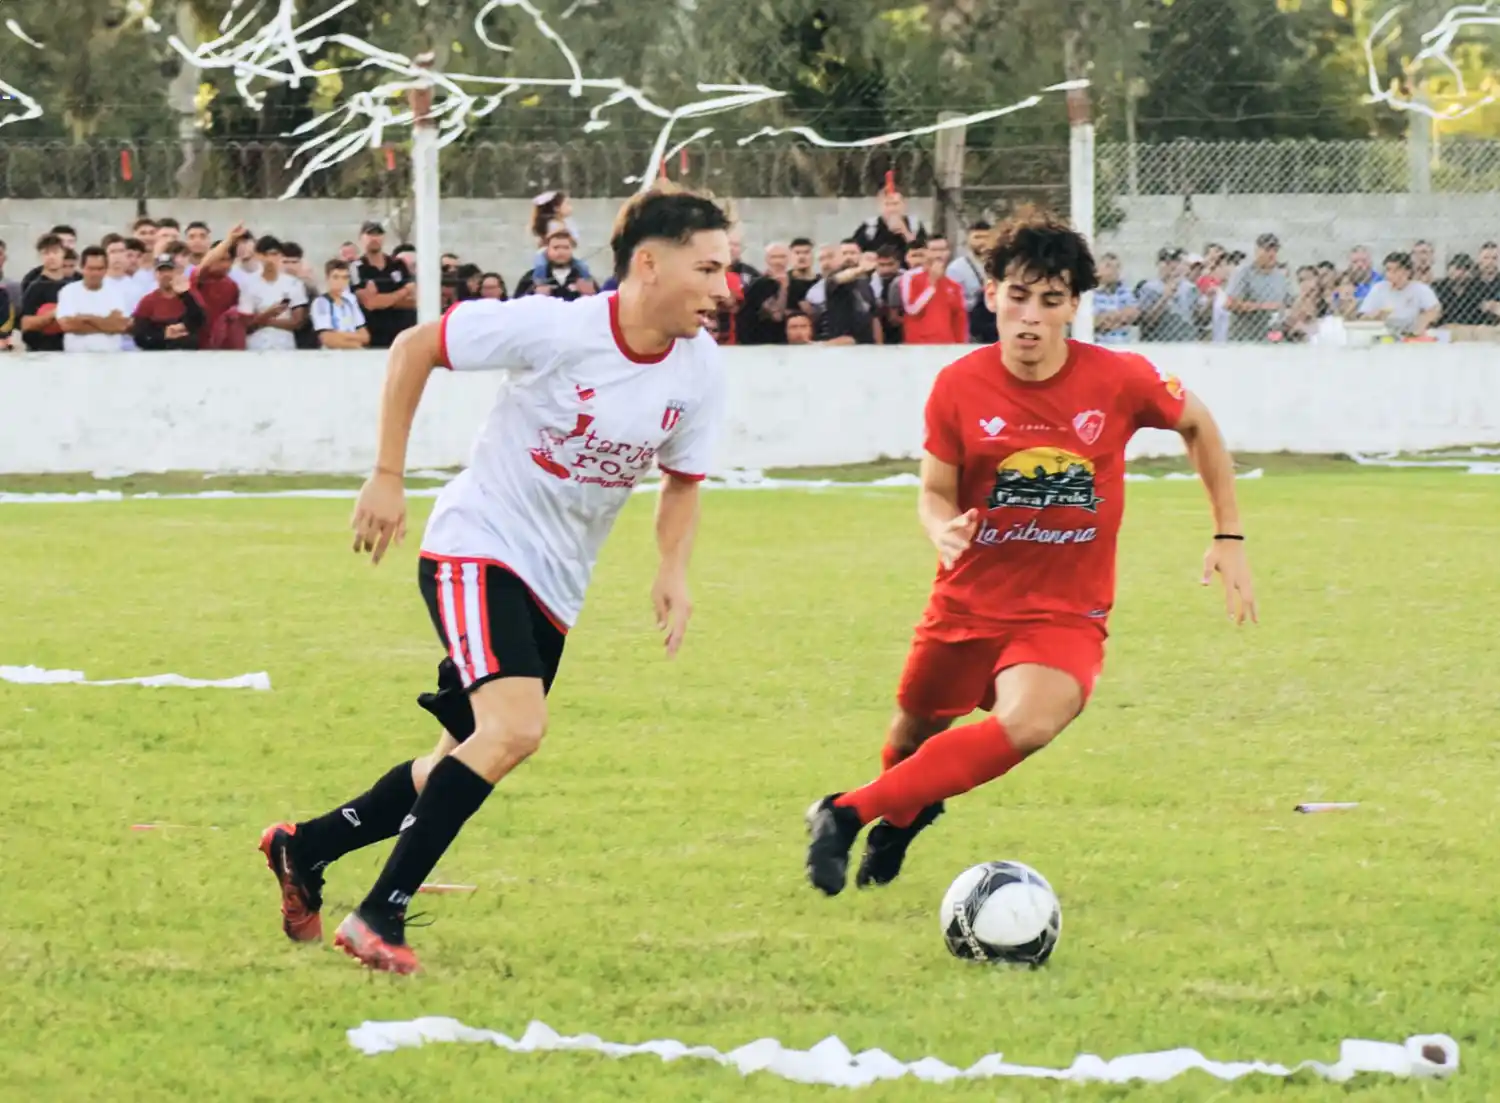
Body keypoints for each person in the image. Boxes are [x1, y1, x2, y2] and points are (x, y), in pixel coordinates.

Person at [258, 186, 733, 974]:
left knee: (460, 756)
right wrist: (387, 475)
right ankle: (378, 914)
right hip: (479, 543)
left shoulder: (700, 368)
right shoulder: (558, 327)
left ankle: (305, 846)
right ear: (649, 264)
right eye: (708, 268)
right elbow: (415, 345)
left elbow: (683, 480)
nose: (724, 287)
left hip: (556, 584)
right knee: (516, 728)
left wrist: (672, 568)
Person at [803, 207, 1257, 896]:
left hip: (1064, 612)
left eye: (1051, 300)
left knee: (1030, 722)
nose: (1031, 318)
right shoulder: (959, 385)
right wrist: (940, 527)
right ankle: (902, 816)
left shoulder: (1120, 378)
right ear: (991, 295)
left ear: (1074, 306)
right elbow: (934, 492)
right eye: (1018, 296)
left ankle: (845, 813)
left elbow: (1197, 422)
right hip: (967, 603)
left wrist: (1228, 534)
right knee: (913, 737)